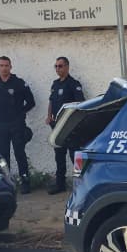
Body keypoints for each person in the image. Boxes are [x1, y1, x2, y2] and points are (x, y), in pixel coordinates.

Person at [0, 55, 36, 192]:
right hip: (1, 124)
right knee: (3, 156)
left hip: (17, 124)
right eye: (1, 65)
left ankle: (25, 182)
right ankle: (6, 184)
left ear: (11, 67)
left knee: (20, 153)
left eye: (6, 65)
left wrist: (20, 113)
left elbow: (31, 102)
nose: (4, 68)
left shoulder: (19, 83)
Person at [46, 56, 85, 194]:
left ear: (67, 67)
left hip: (70, 127)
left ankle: (82, 185)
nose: (58, 68)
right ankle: (60, 184)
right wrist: (49, 116)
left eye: (60, 66)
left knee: (75, 156)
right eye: (56, 66)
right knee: (59, 156)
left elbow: (80, 104)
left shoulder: (73, 84)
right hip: (57, 126)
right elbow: (51, 101)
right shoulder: (55, 84)